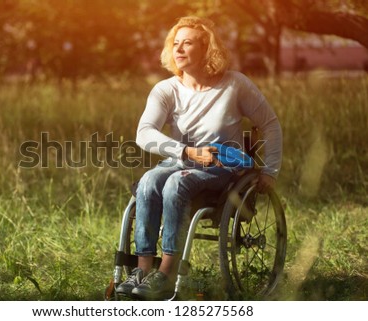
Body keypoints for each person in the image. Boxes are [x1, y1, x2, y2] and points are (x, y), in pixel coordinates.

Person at [116, 16, 282, 300]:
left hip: (223, 167)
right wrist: (186, 152)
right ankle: (143, 272)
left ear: (206, 48)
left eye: (187, 43)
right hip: (182, 160)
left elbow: (270, 124)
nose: (178, 49)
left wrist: (270, 170)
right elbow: (144, 133)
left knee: (175, 185)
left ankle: (166, 274)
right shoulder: (167, 89)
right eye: (175, 43)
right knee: (148, 181)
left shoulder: (234, 85)